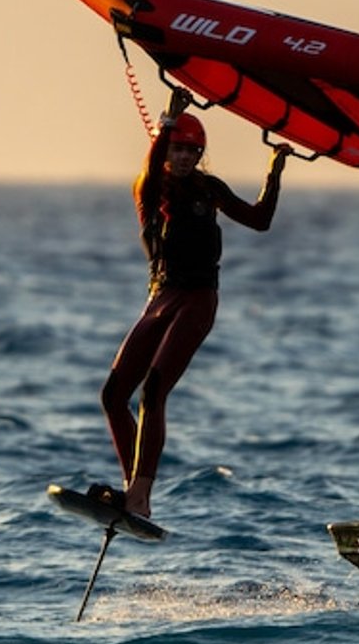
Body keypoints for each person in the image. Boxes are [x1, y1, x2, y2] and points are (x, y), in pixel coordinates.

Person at [102, 98, 293, 518]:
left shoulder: (210, 188)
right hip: (162, 296)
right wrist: (167, 121)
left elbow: (260, 220)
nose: (185, 158)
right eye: (178, 150)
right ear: (166, 150)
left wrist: (274, 171)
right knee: (113, 396)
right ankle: (131, 484)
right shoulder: (150, 187)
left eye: (192, 151)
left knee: (154, 390)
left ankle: (141, 496)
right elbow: (152, 168)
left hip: (199, 299)